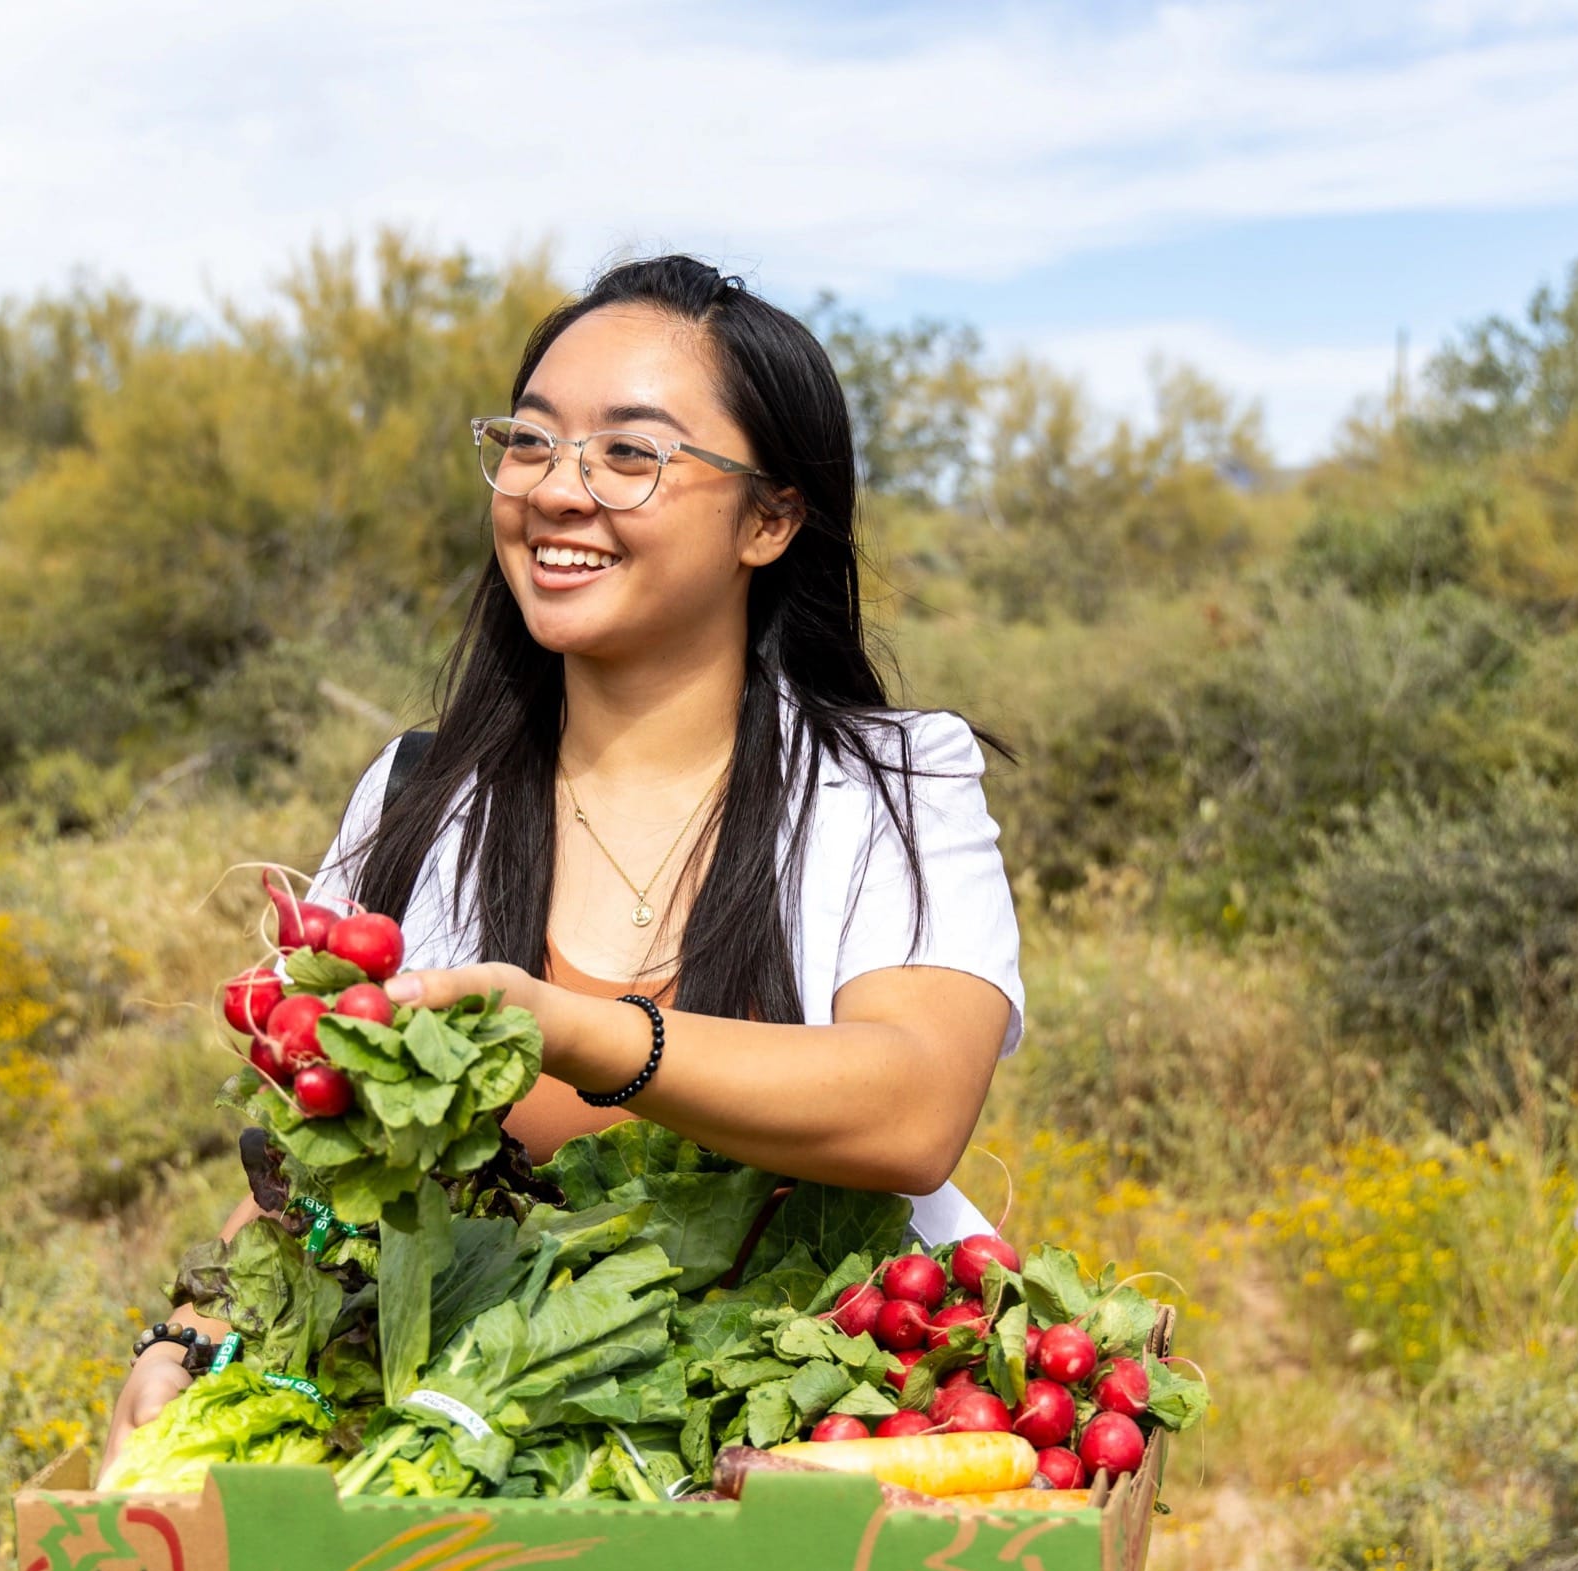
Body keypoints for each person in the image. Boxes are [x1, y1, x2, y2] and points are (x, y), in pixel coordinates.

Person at [102, 255, 1025, 1492]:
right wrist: (193, 1333)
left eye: (629, 455)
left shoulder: (891, 784)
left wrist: (574, 1032)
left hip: (801, 1473)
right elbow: (320, 1175)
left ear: (769, 518)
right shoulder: (422, 794)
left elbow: (913, 1106)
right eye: (530, 443)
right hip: (462, 1455)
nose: (558, 491)